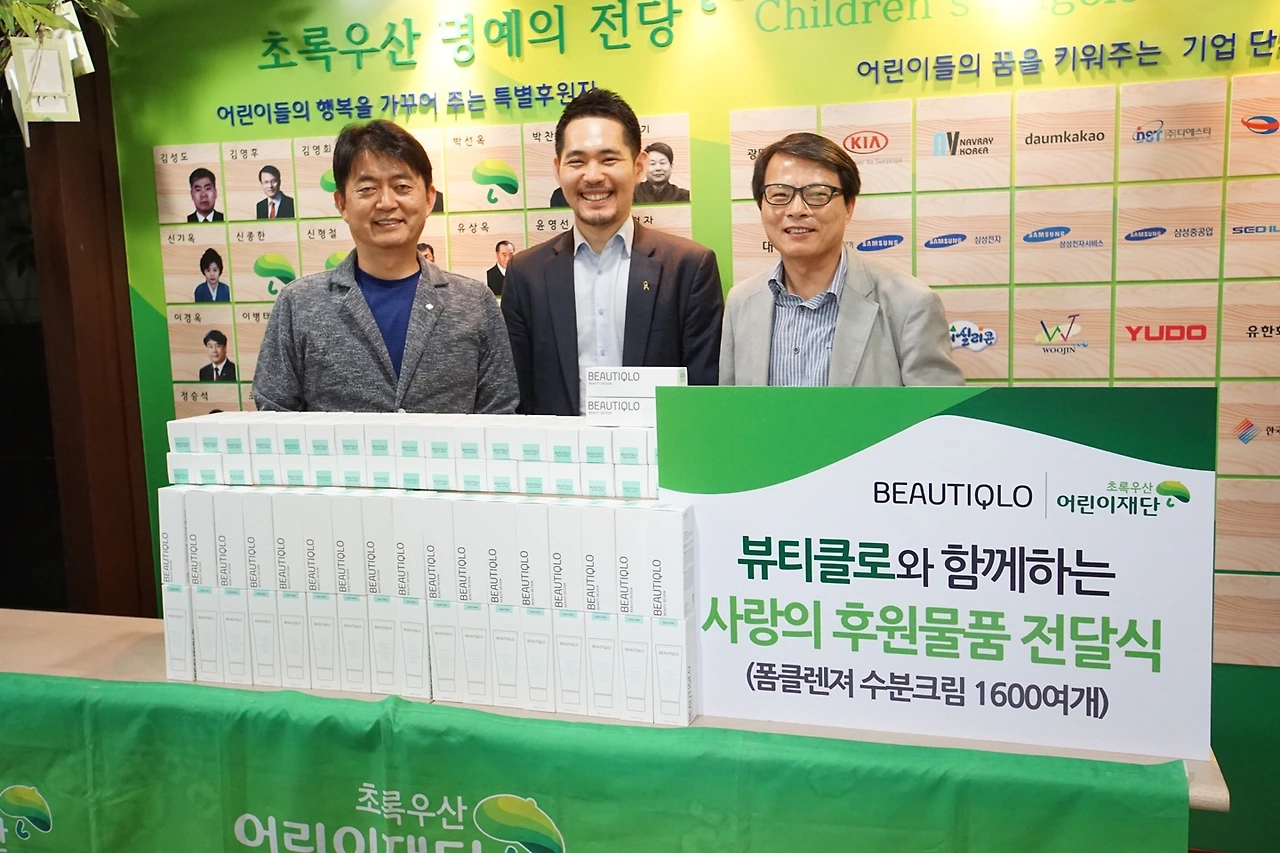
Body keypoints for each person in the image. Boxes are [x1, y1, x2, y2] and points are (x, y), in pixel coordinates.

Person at [252, 119, 518, 413]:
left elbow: (500, 414)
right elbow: (273, 416)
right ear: (342, 203)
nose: (387, 202)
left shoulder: (475, 303)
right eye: (367, 188)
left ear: (429, 198)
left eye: (402, 186)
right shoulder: (298, 304)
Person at [502, 89, 724, 416]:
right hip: (560, 449)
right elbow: (516, 394)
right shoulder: (525, 273)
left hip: (657, 447)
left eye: (609, 159)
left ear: (639, 166)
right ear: (558, 169)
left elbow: (703, 393)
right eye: (577, 161)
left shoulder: (689, 268)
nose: (593, 176)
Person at [721, 132, 963, 387]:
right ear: (761, 205)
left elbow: (939, 410)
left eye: (818, 194)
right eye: (780, 195)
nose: (797, 210)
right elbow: (730, 407)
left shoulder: (910, 304)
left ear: (849, 207)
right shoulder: (741, 302)